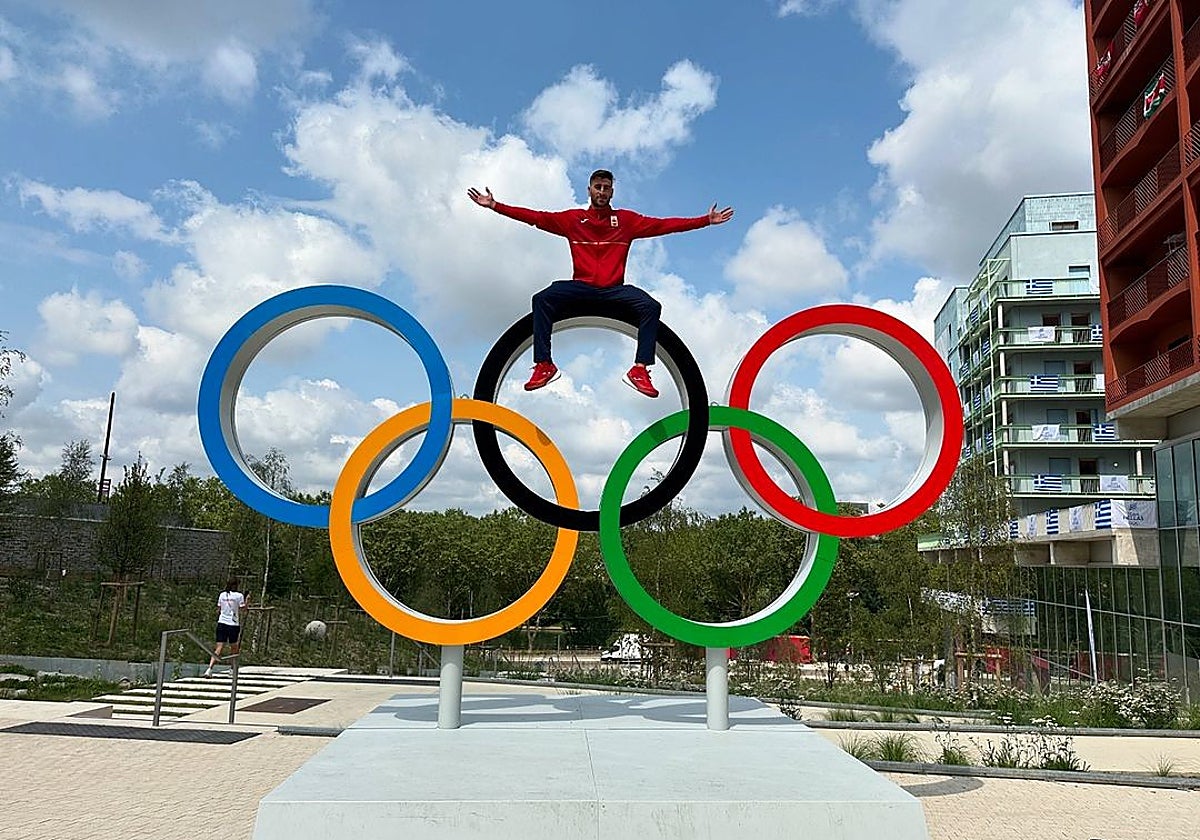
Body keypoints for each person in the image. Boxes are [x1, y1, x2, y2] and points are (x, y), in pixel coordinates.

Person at [468, 169, 733, 397]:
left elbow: (664, 225)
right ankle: (544, 364)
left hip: (614, 290)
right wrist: (495, 206)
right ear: (590, 190)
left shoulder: (627, 221)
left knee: (650, 306)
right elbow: (536, 217)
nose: (602, 192)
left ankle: (640, 369)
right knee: (543, 298)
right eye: (598, 187)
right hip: (581, 287)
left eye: (607, 188)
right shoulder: (572, 220)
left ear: (612, 193)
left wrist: (705, 221)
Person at [205, 577, 247, 677]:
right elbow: (243, 609)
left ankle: (210, 668)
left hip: (222, 623)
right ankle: (232, 668)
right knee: (234, 647)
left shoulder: (222, 595)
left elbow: (219, 608)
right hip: (233, 624)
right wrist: (247, 601)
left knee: (219, 648)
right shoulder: (239, 596)